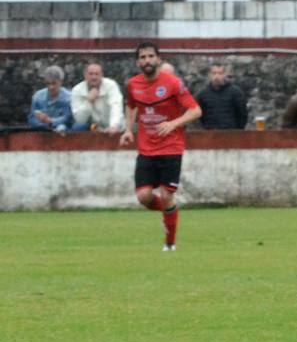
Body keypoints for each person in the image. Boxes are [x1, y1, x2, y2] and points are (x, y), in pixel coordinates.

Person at [120, 43, 201, 251]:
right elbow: (130, 107)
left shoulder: (173, 83)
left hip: (171, 147)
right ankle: (169, 212)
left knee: (167, 195)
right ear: (138, 62)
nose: (147, 61)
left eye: (150, 56)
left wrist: (173, 124)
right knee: (144, 197)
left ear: (158, 59)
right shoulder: (133, 84)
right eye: (143, 57)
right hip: (146, 149)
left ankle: (170, 243)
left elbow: (195, 110)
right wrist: (128, 130)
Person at [70, 63, 124, 133]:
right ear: (85, 75)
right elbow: (80, 119)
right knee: (78, 127)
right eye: (91, 74)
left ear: (102, 75)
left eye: (97, 74)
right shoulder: (77, 90)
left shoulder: (111, 85)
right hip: (95, 128)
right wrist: (89, 101)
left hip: (116, 128)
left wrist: (113, 125)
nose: (94, 77)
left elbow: (116, 106)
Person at [194, 65, 248, 130]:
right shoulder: (203, 94)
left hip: (231, 134)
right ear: (209, 75)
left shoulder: (236, 93)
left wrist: (237, 131)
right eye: (214, 73)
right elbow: (200, 116)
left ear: (225, 74)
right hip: (210, 135)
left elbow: (242, 115)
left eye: (220, 73)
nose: (217, 76)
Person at [29, 66, 75, 132]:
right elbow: (31, 119)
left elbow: (68, 119)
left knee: (61, 127)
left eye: (54, 83)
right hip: (41, 130)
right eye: (48, 83)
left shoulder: (69, 97)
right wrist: (40, 121)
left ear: (60, 82)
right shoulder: (37, 96)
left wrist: (50, 121)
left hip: (63, 131)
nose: (51, 87)